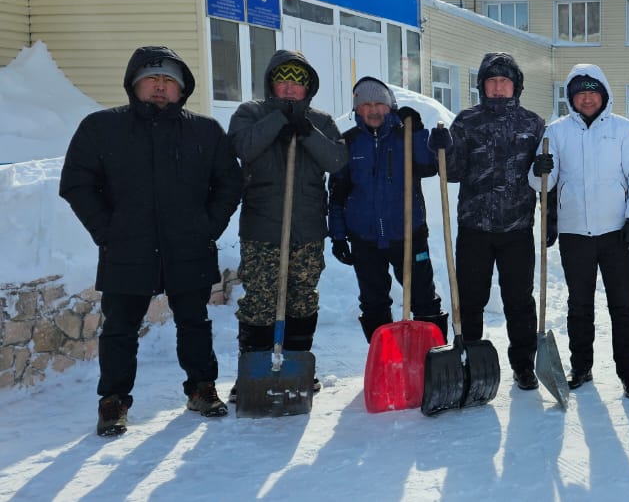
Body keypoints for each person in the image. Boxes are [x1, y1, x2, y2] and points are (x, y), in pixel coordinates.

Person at [60, 46, 242, 437]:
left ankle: (201, 388)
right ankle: (113, 401)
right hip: (127, 247)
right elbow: (76, 182)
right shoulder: (101, 127)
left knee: (195, 322)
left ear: (181, 90)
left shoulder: (205, 130)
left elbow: (229, 183)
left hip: (188, 246)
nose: (160, 88)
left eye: (169, 81)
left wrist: (207, 226)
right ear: (134, 84)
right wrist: (106, 230)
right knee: (120, 329)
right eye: (152, 79)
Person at [228, 50, 347, 396]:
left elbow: (337, 160)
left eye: (299, 82)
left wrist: (306, 131)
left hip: (307, 230)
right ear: (272, 83)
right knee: (260, 302)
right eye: (285, 80)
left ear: (308, 88)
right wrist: (279, 119)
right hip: (263, 229)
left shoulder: (321, 122)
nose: (292, 88)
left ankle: (297, 368)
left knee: (302, 300)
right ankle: (253, 372)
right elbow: (244, 148)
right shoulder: (250, 113)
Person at [530, 63, 629, 399]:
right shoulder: (556, 131)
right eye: (580, 92)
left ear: (604, 94)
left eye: (592, 91)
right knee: (579, 304)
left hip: (617, 232)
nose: (587, 98)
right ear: (571, 97)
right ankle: (581, 366)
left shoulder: (623, 130)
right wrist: (538, 170)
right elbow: (542, 183)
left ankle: (628, 371)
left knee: (622, 305)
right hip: (574, 234)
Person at [441, 52, 544, 390]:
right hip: (475, 228)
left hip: (517, 228)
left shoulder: (533, 124)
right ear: (482, 85)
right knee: (471, 298)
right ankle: (470, 357)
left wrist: (545, 174)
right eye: (492, 81)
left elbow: (544, 179)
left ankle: (524, 364)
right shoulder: (466, 122)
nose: (499, 88)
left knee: (519, 299)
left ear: (516, 86)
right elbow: (453, 173)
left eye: (505, 81)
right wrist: (442, 150)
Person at [327, 77, 446, 342]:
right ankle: (386, 359)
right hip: (365, 238)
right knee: (373, 301)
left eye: (379, 103)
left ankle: (432, 356)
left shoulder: (405, 137)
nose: (373, 110)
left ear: (389, 106)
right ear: (357, 110)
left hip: (408, 234)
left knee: (423, 297)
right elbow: (337, 195)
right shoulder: (348, 143)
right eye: (366, 104)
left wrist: (416, 131)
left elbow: (428, 165)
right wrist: (337, 236)